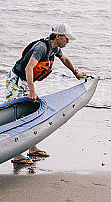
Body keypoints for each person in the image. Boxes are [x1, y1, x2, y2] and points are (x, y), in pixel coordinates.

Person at [6, 23, 89, 165]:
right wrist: (32, 91)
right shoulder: (41, 48)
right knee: (18, 116)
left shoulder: (54, 48)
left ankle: (32, 148)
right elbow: (28, 68)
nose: (68, 42)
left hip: (26, 82)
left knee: (30, 113)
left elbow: (65, 60)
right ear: (58, 36)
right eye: (66, 39)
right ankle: (17, 154)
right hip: (17, 81)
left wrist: (76, 73)